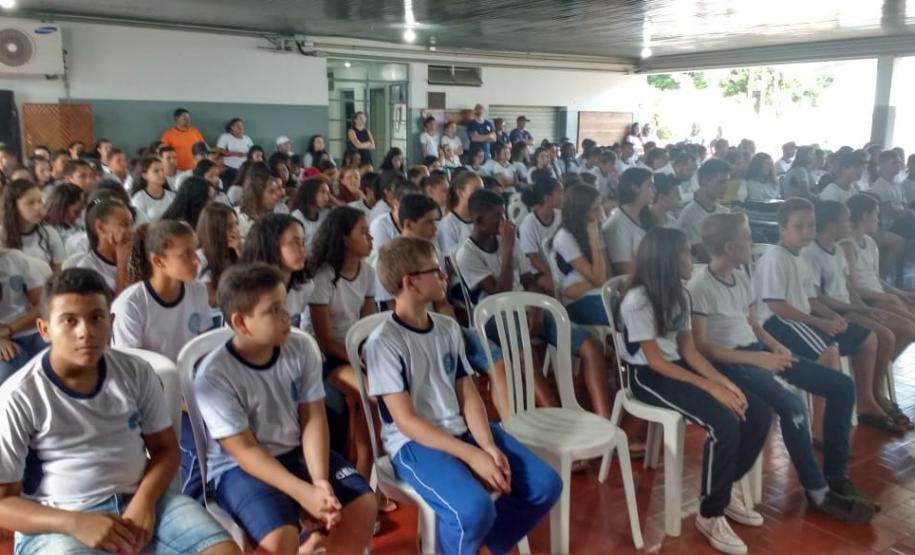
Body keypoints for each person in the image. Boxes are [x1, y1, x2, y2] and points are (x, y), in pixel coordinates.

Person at [0, 268, 240, 555]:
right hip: (60, 520)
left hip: (139, 498)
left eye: (95, 318)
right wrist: (76, 523)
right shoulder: (19, 395)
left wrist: (144, 502)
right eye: (69, 321)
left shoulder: (135, 372)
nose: (84, 332)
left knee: (222, 551)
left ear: (111, 322)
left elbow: (166, 450)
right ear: (45, 329)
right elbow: (4, 504)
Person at [366, 235, 562, 555]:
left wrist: (485, 444)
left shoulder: (447, 328)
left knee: (545, 486)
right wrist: (472, 455)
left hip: (459, 430)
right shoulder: (384, 342)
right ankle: (465, 539)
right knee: (473, 510)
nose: (445, 276)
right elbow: (407, 422)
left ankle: (480, 544)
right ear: (410, 282)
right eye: (436, 271)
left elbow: (467, 392)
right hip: (414, 445)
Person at [690, 212, 875, 522]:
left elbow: (752, 323)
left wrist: (772, 345)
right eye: (747, 238)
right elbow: (704, 349)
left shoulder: (741, 275)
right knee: (793, 408)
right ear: (729, 247)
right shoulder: (700, 287)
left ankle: (836, 475)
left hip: (757, 351)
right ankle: (817, 491)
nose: (752, 242)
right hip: (733, 362)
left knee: (842, 387)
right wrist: (759, 358)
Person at [194, 263, 376, 553]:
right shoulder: (214, 375)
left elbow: (314, 418)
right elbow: (246, 451)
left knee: (363, 506)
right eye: (273, 310)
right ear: (241, 322)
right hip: (238, 468)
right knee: (279, 539)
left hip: (295, 451)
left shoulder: (301, 348)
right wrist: (304, 493)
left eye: (284, 305)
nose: (286, 316)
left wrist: (319, 482)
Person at [616, 226, 772, 555]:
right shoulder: (638, 299)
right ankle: (710, 513)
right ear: (667, 260)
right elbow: (656, 362)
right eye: (686, 252)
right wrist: (708, 387)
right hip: (647, 376)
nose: (693, 257)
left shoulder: (680, 293)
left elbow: (689, 351)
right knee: (724, 421)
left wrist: (723, 382)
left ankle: (723, 490)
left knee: (758, 410)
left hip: (676, 365)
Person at [456, 189, 609, 415]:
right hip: (494, 317)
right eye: (497, 217)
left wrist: (537, 307)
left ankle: (604, 416)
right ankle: (557, 415)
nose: (504, 222)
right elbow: (500, 295)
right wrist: (507, 252)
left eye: (504, 214)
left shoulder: (509, 240)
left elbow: (530, 281)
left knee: (590, 345)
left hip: (527, 308)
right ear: (479, 221)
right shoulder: (466, 255)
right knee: (526, 353)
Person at [801, 201, 912, 432]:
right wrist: (858, 310)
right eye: (845, 219)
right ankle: (868, 398)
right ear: (832, 224)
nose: (849, 223)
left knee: (896, 330)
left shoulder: (838, 250)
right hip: (833, 311)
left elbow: (849, 287)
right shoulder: (811, 253)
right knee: (883, 335)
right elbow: (817, 298)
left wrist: (864, 308)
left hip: (850, 307)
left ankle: (874, 388)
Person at [308, 207, 377, 480]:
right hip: (326, 356)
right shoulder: (324, 276)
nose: (370, 238)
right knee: (372, 391)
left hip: (355, 350)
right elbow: (324, 340)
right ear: (345, 239)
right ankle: (353, 470)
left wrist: (370, 355)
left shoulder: (367, 272)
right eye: (363, 232)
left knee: (381, 389)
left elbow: (367, 325)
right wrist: (359, 359)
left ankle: (367, 468)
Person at [112, 220, 211, 362]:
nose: (197, 260)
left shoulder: (198, 290)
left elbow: (204, 346)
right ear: (158, 261)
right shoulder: (130, 305)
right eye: (186, 254)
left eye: (195, 251)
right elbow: (131, 367)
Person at [842, 194, 915, 316]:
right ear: (865, 216)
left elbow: (875, 278)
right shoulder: (847, 246)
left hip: (880, 295)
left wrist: (899, 292)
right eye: (876, 214)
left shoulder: (870, 242)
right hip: (867, 301)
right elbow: (852, 289)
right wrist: (887, 297)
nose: (878, 220)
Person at [0, 248, 47, 382]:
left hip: (30, 330)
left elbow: (43, 307)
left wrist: (8, 329)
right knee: (4, 373)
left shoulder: (15, 259)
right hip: (5, 343)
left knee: (61, 358)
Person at [1, 179, 65, 271]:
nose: (38, 207)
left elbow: (58, 271)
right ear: (13, 207)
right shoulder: (2, 236)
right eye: (30, 203)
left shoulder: (49, 233)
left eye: (40, 201)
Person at [72, 198, 133, 294]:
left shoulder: (137, 256)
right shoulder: (86, 269)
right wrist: (122, 266)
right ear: (100, 228)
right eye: (124, 224)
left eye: (131, 224)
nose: (131, 231)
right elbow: (115, 307)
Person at [677, 159, 731, 262]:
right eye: (721, 181)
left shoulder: (724, 211)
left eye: (727, 181)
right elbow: (702, 254)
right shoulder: (690, 214)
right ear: (705, 182)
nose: (726, 186)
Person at [604, 167, 655, 275]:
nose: (654, 190)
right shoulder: (617, 224)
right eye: (649, 186)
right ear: (635, 188)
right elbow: (625, 271)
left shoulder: (644, 215)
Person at [518, 178, 563, 293]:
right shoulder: (528, 224)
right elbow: (534, 259)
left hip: (559, 267)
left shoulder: (560, 216)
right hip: (540, 272)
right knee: (560, 288)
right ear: (547, 198)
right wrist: (555, 275)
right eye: (560, 193)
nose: (564, 196)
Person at [438, 170, 482, 255]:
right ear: (460, 192)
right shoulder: (448, 224)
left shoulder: (482, 217)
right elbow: (450, 257)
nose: (482, 194)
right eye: (476, 190)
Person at [236, 170, 284, 237]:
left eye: (276, 190)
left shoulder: (273, 216)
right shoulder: (237, 217)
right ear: (257, 193)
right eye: (271, 192)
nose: (276, 196)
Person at [130, 156, 176, 223]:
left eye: (163, 170)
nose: (162, 174)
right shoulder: (139, 198)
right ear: (145, 175)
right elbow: (140, 225)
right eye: (156, 171)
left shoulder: (172, 196)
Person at [290, 176, 333, 247]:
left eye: (328, 193)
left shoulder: (326, 213)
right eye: (322, 191)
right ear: (311, 192)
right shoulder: (296, 217)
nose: (326, 197)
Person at [44, 183, 85, 247]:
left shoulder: (78, 223)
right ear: (62, 208)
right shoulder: (46, 231)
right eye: (76, 212)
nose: (79, 216)